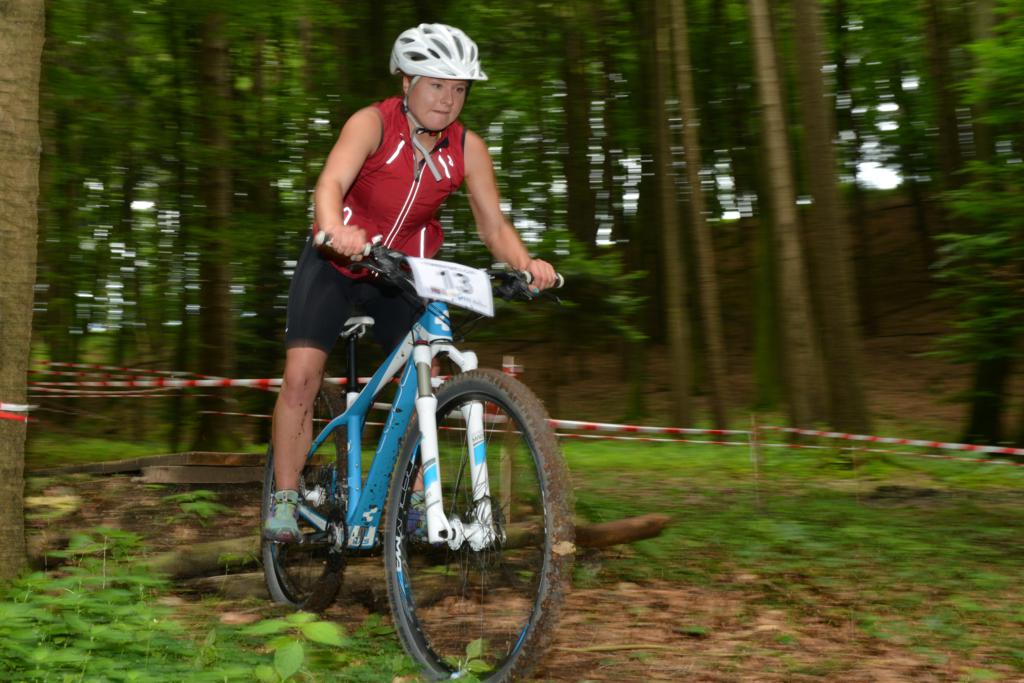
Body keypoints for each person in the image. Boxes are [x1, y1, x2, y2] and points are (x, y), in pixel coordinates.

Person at [264, 23, 558, 542]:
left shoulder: (467, 148)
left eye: (459, 89)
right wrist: (334, 230)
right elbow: (331, 182)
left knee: (426, 376)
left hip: (402, 272)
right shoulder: (371, 124)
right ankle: (285, 498)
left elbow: (493, 226)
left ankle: (420, 497)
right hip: (337, 262)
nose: (448, 100)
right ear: (407, 82)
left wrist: (526, 263)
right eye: (436, 85)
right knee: (302, 376)